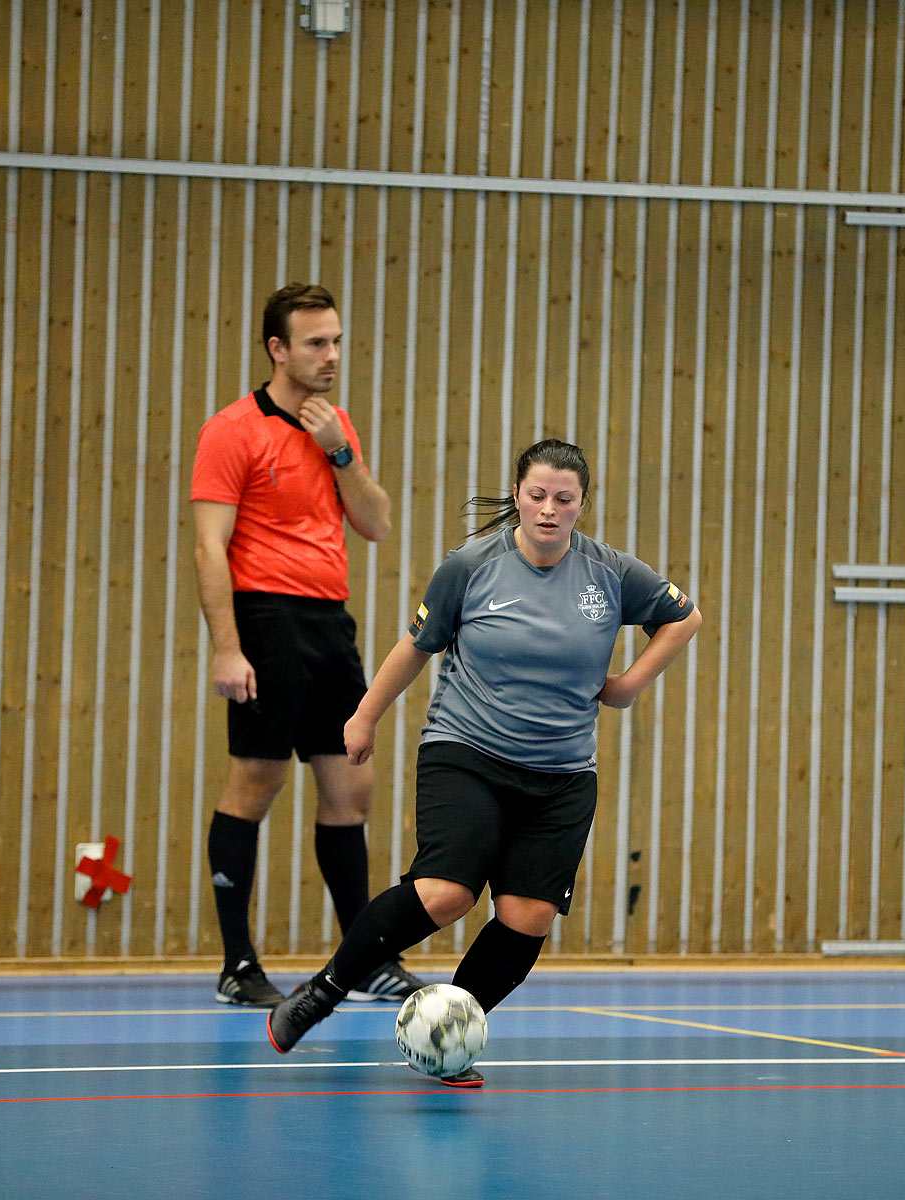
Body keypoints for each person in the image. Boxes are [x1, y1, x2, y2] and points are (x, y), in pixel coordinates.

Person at [265, 438, 703, 1086]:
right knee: (446, 893)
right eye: (536, 496)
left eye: (564, 499)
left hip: (560, 776)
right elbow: (416, 646)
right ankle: (324, 992)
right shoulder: (472, 566)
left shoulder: (609, 572)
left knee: (527, 915)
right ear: (518, 496)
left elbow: (684, 616)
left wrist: (631, 682)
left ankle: (448, 1038)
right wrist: (364, 716)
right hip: (467, 752)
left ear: (582, 504)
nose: (549, 510)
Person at [191, 283, 423, 1007]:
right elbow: (208, 546)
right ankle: (238, 965)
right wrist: (228, 648)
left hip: (330, 621)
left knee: (352, 788)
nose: (330, 356)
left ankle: (362, 961)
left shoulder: (334, 426)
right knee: (254, 785)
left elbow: (377, 523)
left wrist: (340, 451)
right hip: (265, 620)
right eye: (315, 343)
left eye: (336, 341)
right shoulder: (231, 430)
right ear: (277, 350)